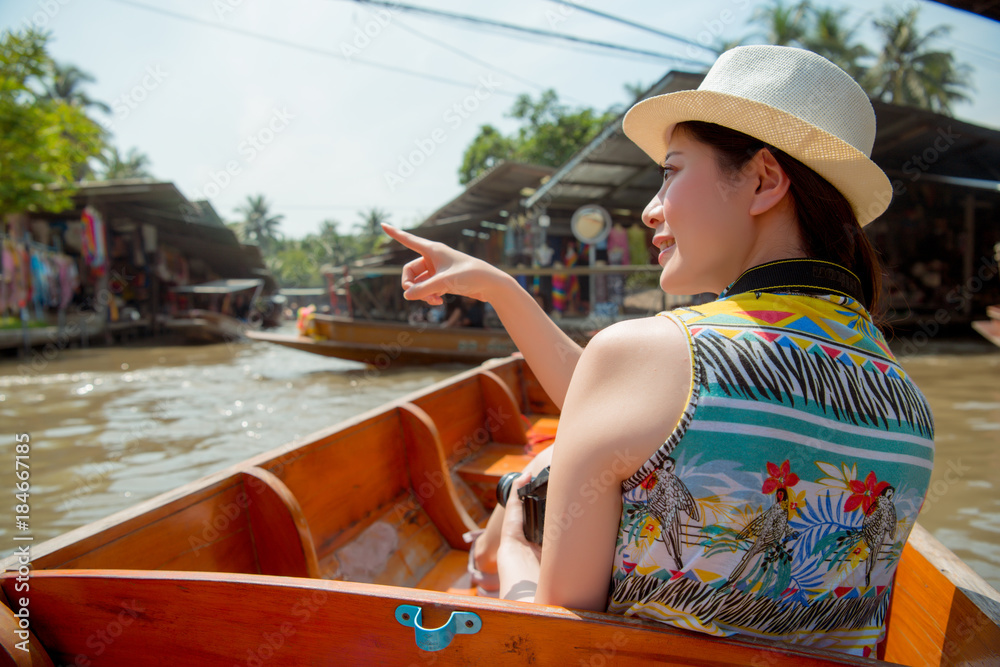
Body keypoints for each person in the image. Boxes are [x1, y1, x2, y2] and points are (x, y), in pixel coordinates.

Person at [382, 45, 934, 658]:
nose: (649, 209)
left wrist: (515, 552)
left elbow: (555, 644)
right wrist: (501, 289)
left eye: (670, 172)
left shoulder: (651, 353)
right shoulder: (905, 402)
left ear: (762, 180)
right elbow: (653, 408)